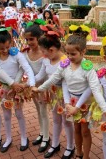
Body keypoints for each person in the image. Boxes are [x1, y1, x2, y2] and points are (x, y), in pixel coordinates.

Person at [33, 26, 106, 159]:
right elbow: (55, 79)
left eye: (73, 54)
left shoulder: (88, 68)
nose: (69, 57)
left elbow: (95, 90)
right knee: (76, 129)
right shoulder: (65, 65)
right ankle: (78, 152)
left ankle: (86, 156)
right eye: (67, 53)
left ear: (83, 51)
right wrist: (40, 89)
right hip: (71, 103)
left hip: (84, 104)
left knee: (85, 131)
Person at [0, 27, 36, 152]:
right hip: (4, 89)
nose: (4, 50)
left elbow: (26, 68)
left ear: (11, 43)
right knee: (7, 115)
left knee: (19, 113)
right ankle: (8, 138)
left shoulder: (16, 54)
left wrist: (30, 83)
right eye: (1, 48)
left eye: (7, 47)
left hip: (17, 89)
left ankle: (24, 138)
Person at [34, 27, 78, 158]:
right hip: (53, 94)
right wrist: (27, 83)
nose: (42, 54)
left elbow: (66, 82)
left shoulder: (65, 61)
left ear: (51, 50)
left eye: (43, 51)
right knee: (56, 119)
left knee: (67, 121)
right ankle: (55, 143)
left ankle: (70, 146)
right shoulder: (47, 60)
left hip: (66, 96)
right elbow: (40, 76)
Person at [22, 25, 51, 153]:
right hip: (33, 87)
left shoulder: (44, 53)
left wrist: (32, 84)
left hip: (43, 87)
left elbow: (43, 74)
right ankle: (41, 132)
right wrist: (29, 84)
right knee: (38, 110)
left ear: (39, 38)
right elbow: (26, 69)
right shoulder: (26, 52)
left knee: (44, 111)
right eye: (27, 40)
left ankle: (46, 137)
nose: (29, 42)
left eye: (32, 39)